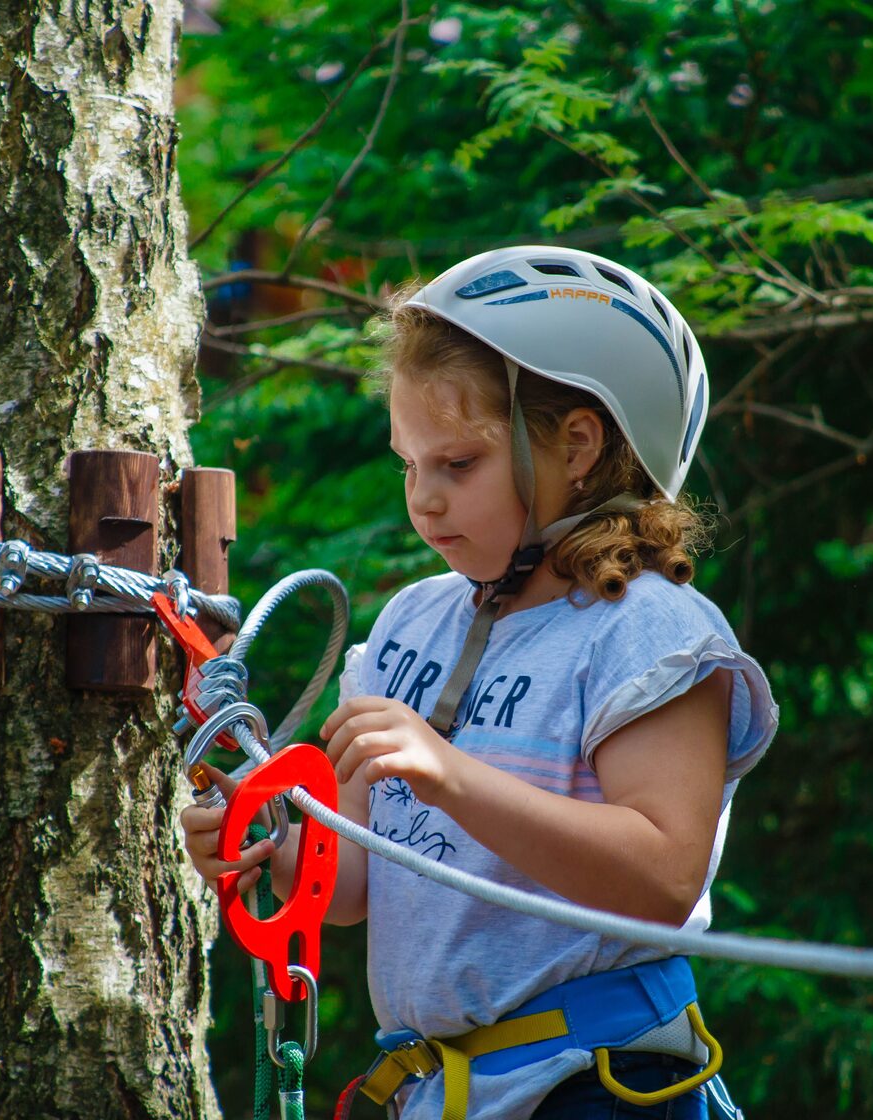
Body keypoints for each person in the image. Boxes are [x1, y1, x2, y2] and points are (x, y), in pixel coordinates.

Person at [180, 246, 778, 1119]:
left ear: (578, 445)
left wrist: (449, 774)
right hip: (438, 1092)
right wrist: (269, 844)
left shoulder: (649, 632)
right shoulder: (412, 623)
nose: (423, 500)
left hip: (598, 1088)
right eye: (408, 464)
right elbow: (346, 887)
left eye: (457, 465)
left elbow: (662, 877)